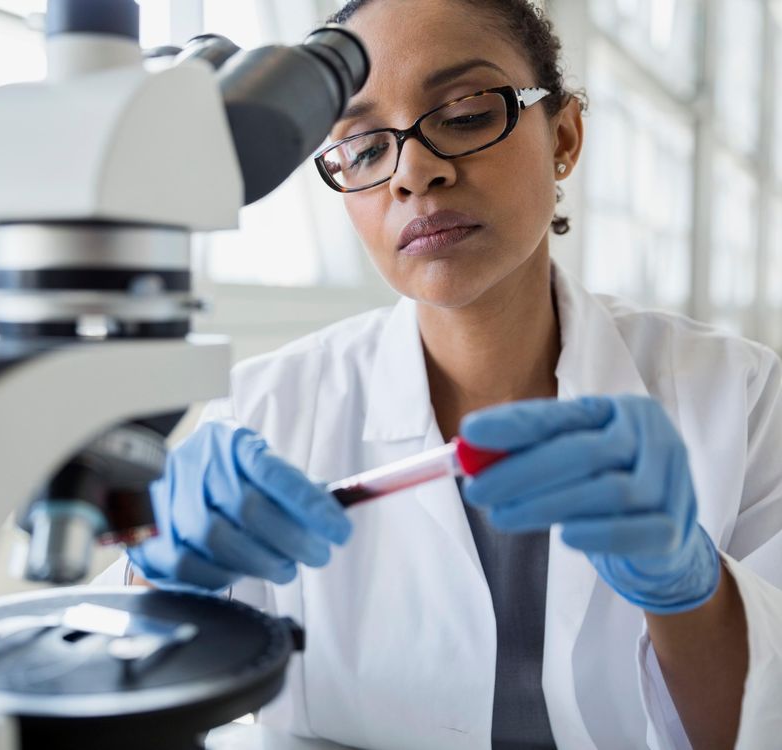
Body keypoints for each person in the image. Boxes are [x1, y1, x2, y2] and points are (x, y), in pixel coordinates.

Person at [97, 1, 782, 747]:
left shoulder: (739, 395)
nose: (415, 171)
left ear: (564, 136)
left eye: (462, 113)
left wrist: (691, 593)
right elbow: (111, 700)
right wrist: (158, 581)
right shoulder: (265, 411)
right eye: (361, 146)